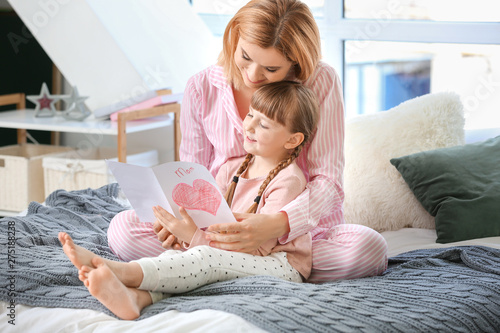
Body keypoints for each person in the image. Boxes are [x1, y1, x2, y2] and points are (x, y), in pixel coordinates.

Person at [107, 0, 388, 283]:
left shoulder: (320, 81)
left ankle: (204, 266)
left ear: (296, 63)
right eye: (246, 56)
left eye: (271, 68)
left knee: (368, 249)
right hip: (210, 230)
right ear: (234, 36)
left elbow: (328, 181)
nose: (253, 75)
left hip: (294, 239)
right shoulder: (201, 87)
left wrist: (279, 223)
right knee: (122, 230)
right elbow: (189, 175)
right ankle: (229, 265)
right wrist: (177, 221)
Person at [60, 81, 319, 320]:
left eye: (264, 124)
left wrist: (193, 237)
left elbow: (257, 248)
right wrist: (177, 229)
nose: (249, 125)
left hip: (277, 264)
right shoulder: (232, 168)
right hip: (221, 251)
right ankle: (137, 298)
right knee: (178, 254)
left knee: (204, 259)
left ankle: (123, 272)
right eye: (251, 114)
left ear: (292, 139)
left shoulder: (289, 180)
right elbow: (209, 219)